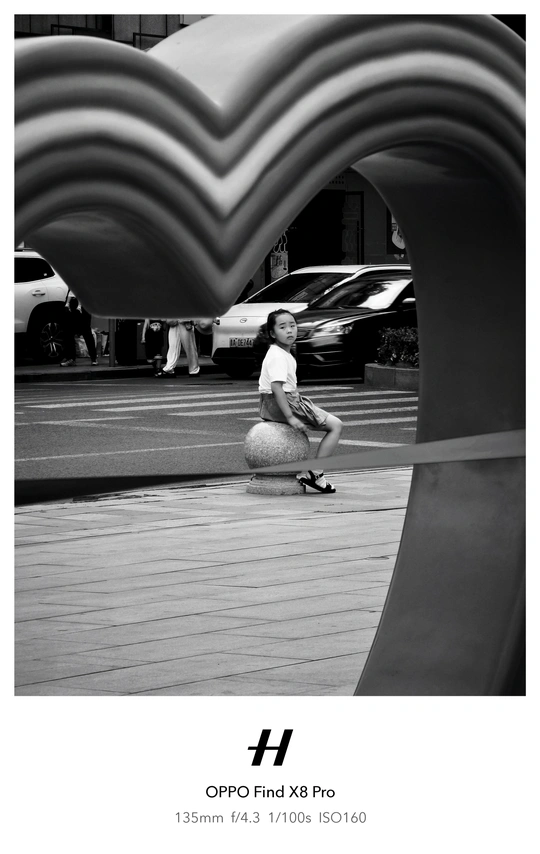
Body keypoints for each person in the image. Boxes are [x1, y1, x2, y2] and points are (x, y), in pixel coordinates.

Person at [258, 308, 342, 493]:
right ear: (272, 333)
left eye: (292, 325)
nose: (289, 330)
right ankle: (316, 474)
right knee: (336, 425)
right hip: (283, 403)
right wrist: (290, 417)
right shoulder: (278, 356)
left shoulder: (278, 352)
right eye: (282, 327)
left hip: (270, 404)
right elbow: (276, 387)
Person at [60, 290, 97, 367]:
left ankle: (93, 358)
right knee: (69, 332)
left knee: (86, 332)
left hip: (83, 302)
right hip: (73, 302)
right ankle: (71, 358)